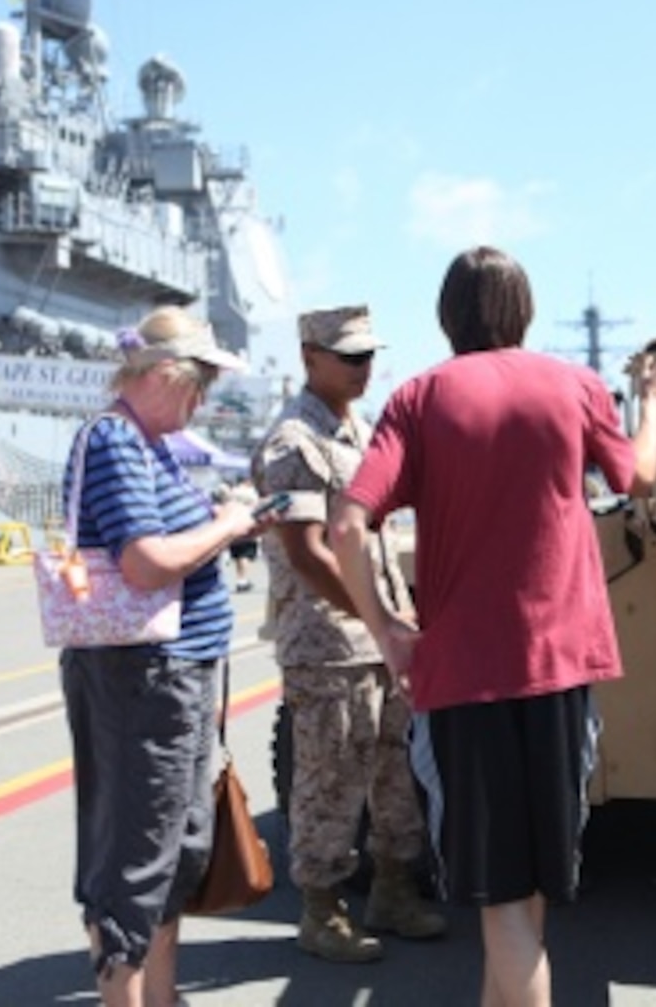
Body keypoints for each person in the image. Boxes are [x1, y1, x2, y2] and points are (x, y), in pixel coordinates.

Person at [328, 246, 656, 1007]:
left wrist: (387, 628)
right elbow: (638, 478)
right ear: (524, 310)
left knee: (500, 901)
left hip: (463, 675)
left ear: (446, 316)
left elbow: (345, 526)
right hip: (560, 667)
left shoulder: (419, 398)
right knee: (527, 891)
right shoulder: (575, 386)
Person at [58, 307, 272, 1007]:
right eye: (201, 382)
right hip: (145, 677)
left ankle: (162, 995)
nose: (204, 398)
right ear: (166, 375)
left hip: (171, 674)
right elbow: (146, 564)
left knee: (176, 849)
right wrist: (228, 525)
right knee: (137, 857)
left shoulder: (149, 445)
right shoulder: (120, 440)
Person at [252, 305, 446, 964]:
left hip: (376, 636)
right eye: (349, 356)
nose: (364, 368)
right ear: (309, 356)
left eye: (369, 356)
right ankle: (320, 909)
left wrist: (392, 620)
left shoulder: (355, 431)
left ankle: (392, 888)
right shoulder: (293, 442)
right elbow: (307, 552)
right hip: (328, 643)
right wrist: (377, 617)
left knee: (392, 769)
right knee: (329, 776)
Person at [223, 478, 261, 592]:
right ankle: (242, 580)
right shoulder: (251, 492)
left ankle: (241, 578)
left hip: (233, 524)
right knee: (245, 555)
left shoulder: (232, 492)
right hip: (248, 524)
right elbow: (257, 506)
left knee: (238, 554)